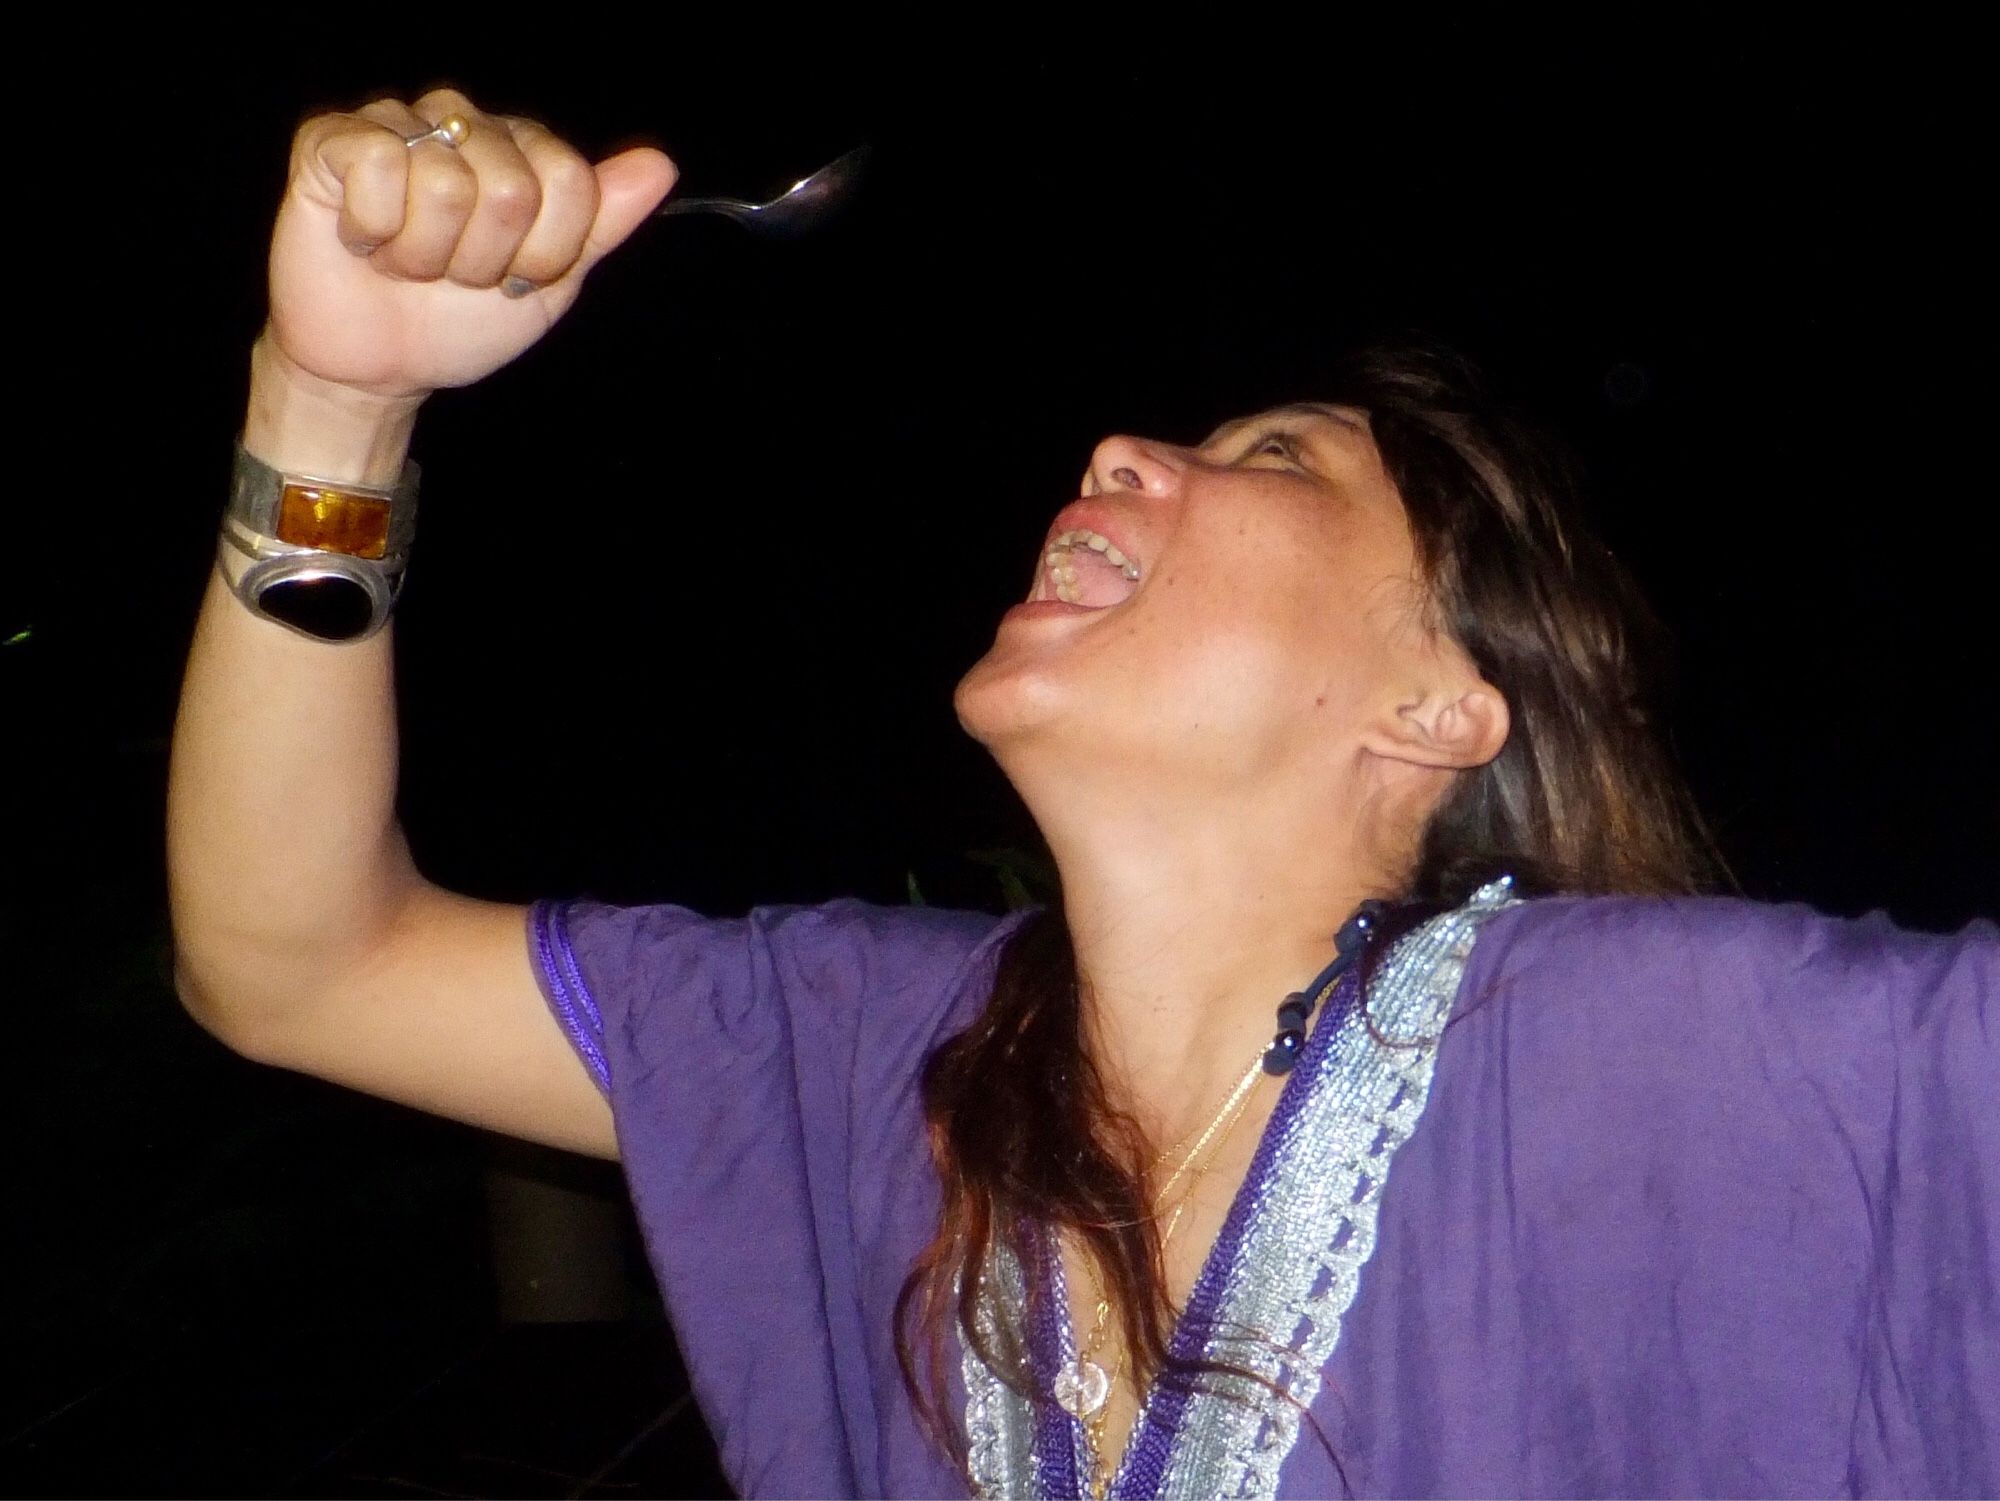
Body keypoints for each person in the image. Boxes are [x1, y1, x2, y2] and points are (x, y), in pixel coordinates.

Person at [166, 88, 1998, 1500]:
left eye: (1274, 458)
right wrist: (331, 405)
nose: (1123, 449)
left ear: (1447, 704)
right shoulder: (867, 1050)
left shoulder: (1713, 1065)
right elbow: (290, 959)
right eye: (1183, 436)